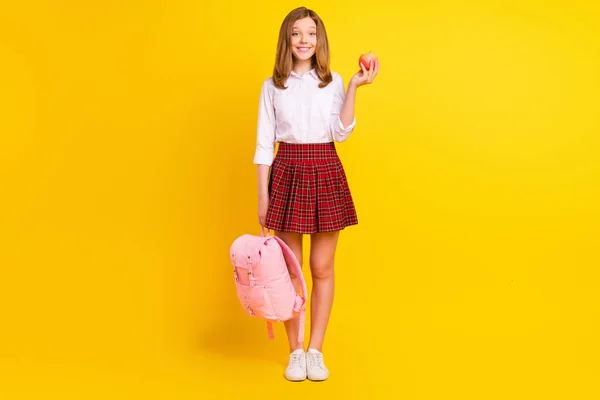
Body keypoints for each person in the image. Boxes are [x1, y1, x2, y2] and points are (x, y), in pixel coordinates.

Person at [253, 6, 379, 382]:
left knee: (322, 268)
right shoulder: (272, 86)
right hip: (287, 170)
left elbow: (340, 132)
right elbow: (263, 146)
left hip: (325, 169)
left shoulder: (334, 81)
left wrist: (354, 87)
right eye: (296, 34)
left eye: (311, 33)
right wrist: (262, 197)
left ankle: (315, 350)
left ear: (319, 40)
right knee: (291, 270)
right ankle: (294, 351)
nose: (304, 40)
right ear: (286, 41)